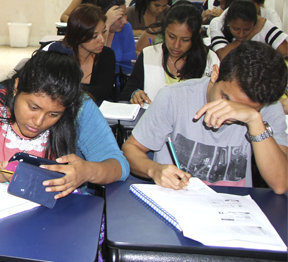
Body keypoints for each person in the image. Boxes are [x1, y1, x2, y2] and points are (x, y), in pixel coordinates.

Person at [0, 49, 129, 198]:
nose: (39, 122)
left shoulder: (80, 108)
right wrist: (4, 173)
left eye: (54, 114)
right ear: (16, 87)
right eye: (33, 107)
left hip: (58, 221)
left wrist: (88, 171)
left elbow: (119, 165)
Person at [122, 41, 288, 194]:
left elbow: (281, 184)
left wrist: (255, 120)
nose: (229, 113)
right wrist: (154, 169)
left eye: (246, 109)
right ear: (215, 73)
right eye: (226, 99)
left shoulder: (268, 108)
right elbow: (131, 149)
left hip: (234, 208)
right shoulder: (175, 97)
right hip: (178, 200)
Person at [120, 4, 220, 106]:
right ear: (164, 30)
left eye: (185, 40)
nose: (176, 45)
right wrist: (134, 94)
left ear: (196, 35)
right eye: (171, 37)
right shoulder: (149, 55)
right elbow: (127, 93)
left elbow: (218, 98)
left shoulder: (210, 60)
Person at [45, 4, 115, 105]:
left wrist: (70, 91)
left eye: (104, 32)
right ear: (78, 36)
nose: (102, 40)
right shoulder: (59, 54)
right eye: (95, 36)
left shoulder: (107, 55)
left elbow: (103, 91)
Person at [210, 0, 288, 60]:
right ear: (228, 22)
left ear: (254, 23)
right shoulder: (218, 24)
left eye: (247, 29)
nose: (241, 34)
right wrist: (251, 33)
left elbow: (285, 51)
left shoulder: (263, 24)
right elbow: (223, 57)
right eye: (236, 29)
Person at [209, 0, 283, 40]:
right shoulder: (233, 9)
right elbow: (215, 25)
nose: (245, 7)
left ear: (261, 3)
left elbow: (280, 39)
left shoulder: (270, 14)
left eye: (251, 4)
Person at [94, 0, 136, 65]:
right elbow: (98, 62)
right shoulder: (92, 30)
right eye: (119, 17)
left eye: (125, 14)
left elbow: (129, 63)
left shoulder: (126, 27)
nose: (125, 21)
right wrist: (106, 25)